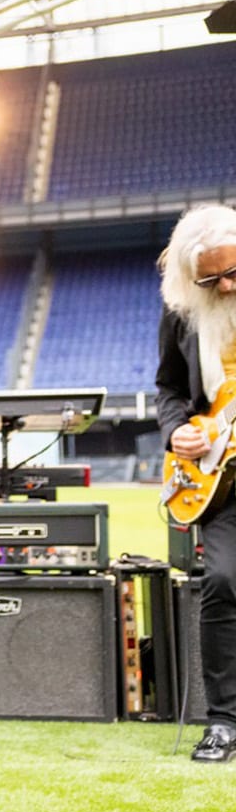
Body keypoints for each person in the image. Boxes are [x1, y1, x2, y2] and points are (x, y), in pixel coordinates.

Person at [155, 203, 236, 763]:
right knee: (223, 582)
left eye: (235, 271)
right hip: (217, 477)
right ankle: (225, 719)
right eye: (211, 278)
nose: (226, 285)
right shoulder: (181, 314)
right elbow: (166, 387)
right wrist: (177, 430)